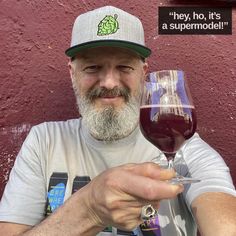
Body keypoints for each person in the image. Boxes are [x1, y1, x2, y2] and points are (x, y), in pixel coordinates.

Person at [0, 5, 235, 236]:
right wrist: (88, 209)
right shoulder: (45, 142)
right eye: (92, 68)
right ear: (72, 73)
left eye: (124, 67)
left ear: (144, 74)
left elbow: (225, 222)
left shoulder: (184, 147)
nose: (110, 83)